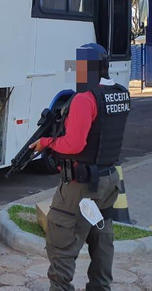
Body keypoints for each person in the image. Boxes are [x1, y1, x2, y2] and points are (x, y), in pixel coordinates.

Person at [29, 43, 130, 291]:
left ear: (89, 69)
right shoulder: (121, 93)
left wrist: (46, 143)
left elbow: (74, 144)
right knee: (101, 239)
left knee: (61, 244)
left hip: (82, 186)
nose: (76, 73)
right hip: (109, 182)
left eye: (79, 68)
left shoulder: (85, 99)